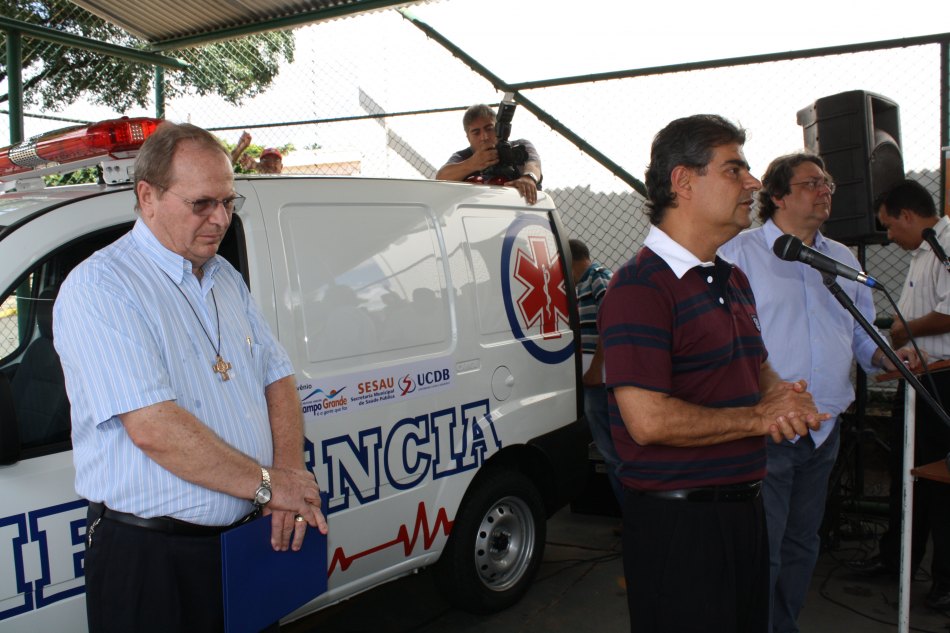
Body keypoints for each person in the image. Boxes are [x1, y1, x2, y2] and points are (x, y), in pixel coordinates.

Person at [53, 122, 328, 633]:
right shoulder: (103, 286)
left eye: (227, 202)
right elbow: (154, 428)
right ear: (148, 197)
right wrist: (272, 487)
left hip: (243, 540)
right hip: (154, 559)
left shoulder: (225, 277)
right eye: (202, 203)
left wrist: (287, 475)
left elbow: (276, 375)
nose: (220, 219)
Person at [598, 114, 830, 633]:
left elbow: (757, 364)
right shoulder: (639, 287)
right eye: (734, 170)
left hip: (744, 512)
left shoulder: (732, 278)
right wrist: (760, 418)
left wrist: (784, 397)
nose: (753, 183)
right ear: (683, 181)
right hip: (680, 526)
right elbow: (648, 421)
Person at [719, 153, 919, 633]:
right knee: (763, 546)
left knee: (802, 543)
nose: (825, 190)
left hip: (825, 427)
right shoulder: (739, 254)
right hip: (767, 427)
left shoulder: (843, 259)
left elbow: (860, 334)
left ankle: (783, 625)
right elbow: (722, 340)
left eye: (827, 182)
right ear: (778, 196)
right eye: (811, 183)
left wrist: (885, 358)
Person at [851, 178, 950, 609]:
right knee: (906, 473)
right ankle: (897, 559)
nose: (889, 236)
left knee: (939, 479)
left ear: (908, 215)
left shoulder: (945, 245)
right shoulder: (923, 250)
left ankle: (944, 579)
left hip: (943, 381)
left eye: (890, 225)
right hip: (917, 376)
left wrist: (902, 330)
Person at [569, 238, 621, 505]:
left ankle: (631, 512)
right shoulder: (583, 284)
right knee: (609, 448)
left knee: (611, 450)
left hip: (601, 378)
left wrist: (595, 368)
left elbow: (611, 322)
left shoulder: (597, 278)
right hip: (597, 376)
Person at [435, 103, 542, 204]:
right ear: (468, 137)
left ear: (498, 128)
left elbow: (534, 164)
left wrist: (528, 178)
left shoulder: (519, 146)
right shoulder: (462, 156)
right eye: (476, 133)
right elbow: (441, 178)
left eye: (489, 129)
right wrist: (472, 164)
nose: (484, 137)